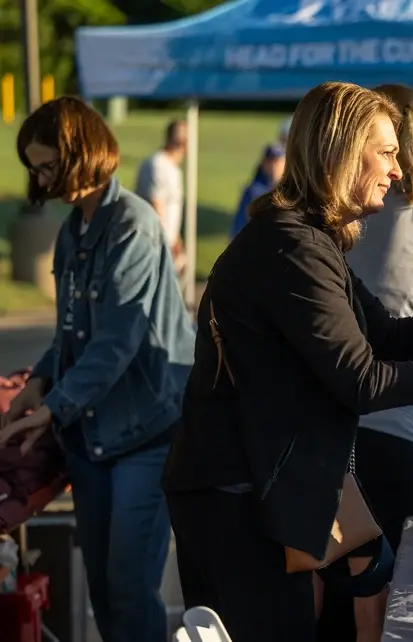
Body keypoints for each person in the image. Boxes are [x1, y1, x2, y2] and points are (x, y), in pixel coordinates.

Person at [161, 81, 413, 642]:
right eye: (387, 153)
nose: (398, 171)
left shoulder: (311, 240)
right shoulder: (291, 247)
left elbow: (390, 336)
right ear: (342, 151)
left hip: (255, 493)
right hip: (236, 505)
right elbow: (362, 382)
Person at [1, 97, 195, 642]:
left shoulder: (132, 223)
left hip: (146, 433)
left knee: (131, 588)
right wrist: (35, 386)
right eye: (35, 168)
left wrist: (52, 408)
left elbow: (115, 344)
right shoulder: (72, 232)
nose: (41, 178)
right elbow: (68, 333)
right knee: (104, 593)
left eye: (47, 165)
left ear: (79, 154)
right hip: (90, 437)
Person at [135, 119, 188, 278]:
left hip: (165, 245)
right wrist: (166, 244)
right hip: (153, 246)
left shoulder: (173, 169)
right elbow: (155, 208)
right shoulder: (158, 165)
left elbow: (171, 209)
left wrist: (176, 239)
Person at [231, 143, 285, 237]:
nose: (274, 167)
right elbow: (239, 225)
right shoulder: (252, 192)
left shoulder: (290, 191)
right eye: (270, 161)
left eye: (277, 162)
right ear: (264, 164)